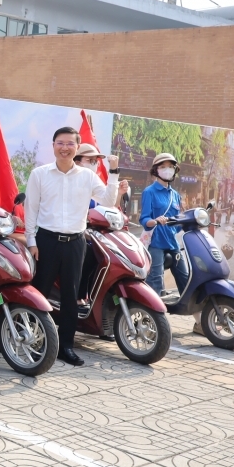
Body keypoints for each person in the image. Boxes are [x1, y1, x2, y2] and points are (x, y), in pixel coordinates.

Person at [25, 127, 119, 367]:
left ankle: (65, 346)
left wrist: (114, 172)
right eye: (60, 143)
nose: (64, 148)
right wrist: (31, 241)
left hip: (76, 243)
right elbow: (31, 209)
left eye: (70, 143)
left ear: (77, 147)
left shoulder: (87, 176)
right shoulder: (40, 174)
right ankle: (32, 340)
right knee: (39, 293)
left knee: (70, 296)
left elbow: (108, 200)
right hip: (46, 241)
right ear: (53, 145)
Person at [73, 143, 129, 340]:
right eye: (90, 160)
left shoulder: (94, 181)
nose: (94, 164)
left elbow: (108, 205)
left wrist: (118, 191)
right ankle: (79, 298)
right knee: (89, 254)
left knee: (107, 259)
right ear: (77, 161)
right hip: (75, 234)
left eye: (96, 161)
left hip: (96, 234)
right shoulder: (72, 180)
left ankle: (98, 304)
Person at [139, 153, 190, 298]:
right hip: (156, 243)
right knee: (156, 281)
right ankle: (151, 310)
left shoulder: (176, 195)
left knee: (185, 278)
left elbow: (176, 224)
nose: (167, 170)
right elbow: (144, 219)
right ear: (156, 170)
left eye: (170, 167)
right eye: (163, 167)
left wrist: (186, 222)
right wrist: (155, 220)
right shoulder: (149, 192)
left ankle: (194, 311)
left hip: (172, 243)